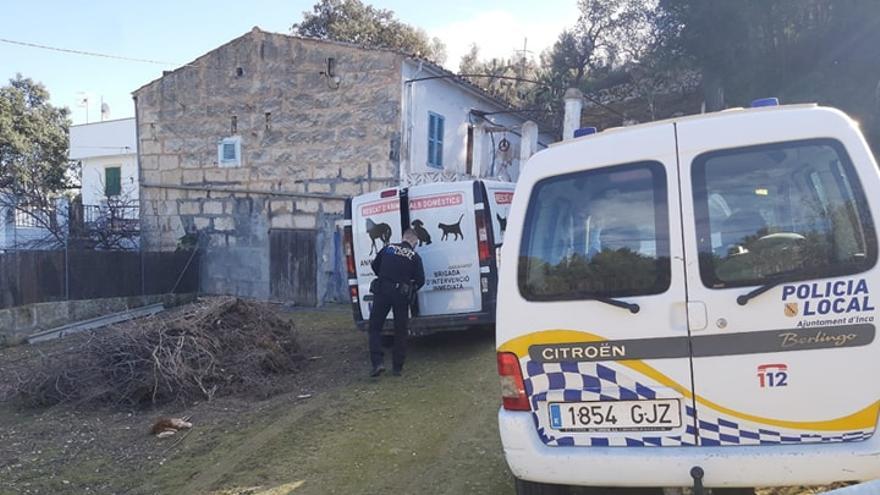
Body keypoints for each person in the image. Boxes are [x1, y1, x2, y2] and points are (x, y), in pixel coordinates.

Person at [368, 228, 425, 377]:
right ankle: (397, 367)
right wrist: (411, 286)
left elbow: (374, 266)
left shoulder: (388, 248)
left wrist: (385, 275)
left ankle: (377, 363)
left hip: (382, 291)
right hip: (401, 294)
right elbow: (421, 280)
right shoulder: (414, 256)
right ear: (414, 241)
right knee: (400, 330)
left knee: (375, 327)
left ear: (403, 238)